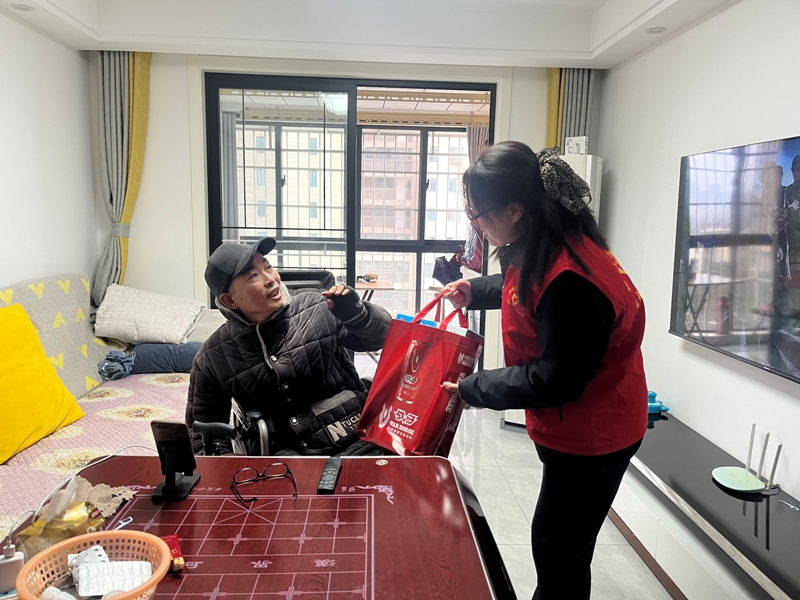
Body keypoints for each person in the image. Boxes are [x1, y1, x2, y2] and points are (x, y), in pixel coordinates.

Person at [441, 142, 647, 600]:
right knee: (563, 545)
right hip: (588, 419)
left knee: (558, 552)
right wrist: (474, 290)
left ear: (515, 210)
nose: (476, 224)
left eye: (479, 215)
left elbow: (556, 378)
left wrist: (475, 387)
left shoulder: (572, 280)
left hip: (595, 434)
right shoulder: (548, 240)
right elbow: (521, 284)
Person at [186, 237, 392, 456]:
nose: (270, 279)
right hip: (286, 460)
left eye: (268, 267)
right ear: (229, 300)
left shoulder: (317, 307)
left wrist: (359, 316)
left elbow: (383, 339)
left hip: (359, 438)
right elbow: (204, 433)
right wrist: (232, 466)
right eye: (253, 276)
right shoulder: (212, 357)